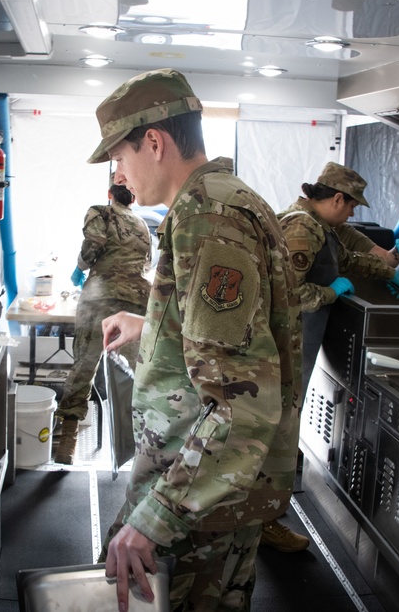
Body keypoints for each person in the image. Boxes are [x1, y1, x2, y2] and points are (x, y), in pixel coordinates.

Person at [91, 68, 301, 611]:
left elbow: (241, 406)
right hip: (210, 485)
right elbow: (227, 340)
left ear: (154, 143)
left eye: (118, 157)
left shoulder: (210, 220)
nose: (118, 174)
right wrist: (151, 328)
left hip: (197, 495)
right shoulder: (221, 201)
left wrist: (156, 517)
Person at [259, 162, 399, 553]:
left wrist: (387, 269)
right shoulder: (301, 227)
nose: (353, 213)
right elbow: (286, 293)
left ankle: (262, 515)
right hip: (286, 344)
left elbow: (348, 258)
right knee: (278, 431)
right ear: (336, 198)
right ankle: (262, 521)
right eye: (351, 205)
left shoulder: (319, 225)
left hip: (297, 344)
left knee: (282, 428)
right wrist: (331, 293)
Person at [53, 183, 152, 465]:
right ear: (133, 197)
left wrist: (80, 267)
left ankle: (68, 444)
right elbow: (147, 263)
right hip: (137, 303)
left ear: (110, 194)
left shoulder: (101, 212)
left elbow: (93, 244)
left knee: (85, 364)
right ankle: (145, 447)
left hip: (101, 297)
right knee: (139, 374)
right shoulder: (143, 224)